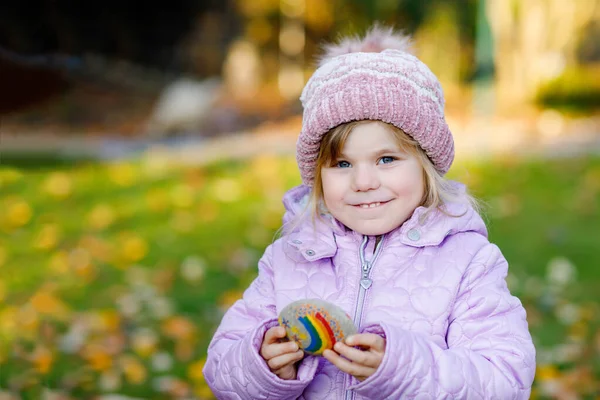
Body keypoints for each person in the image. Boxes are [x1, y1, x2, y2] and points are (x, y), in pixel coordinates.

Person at [203, 24, 536, 399]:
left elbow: (504, 381)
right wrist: (262, 365)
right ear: (318, 176)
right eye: (342, 164)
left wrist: (400, 371)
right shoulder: (288, 258)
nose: (363, 181)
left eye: (386, 159)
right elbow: (221, 369)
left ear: (425, 166)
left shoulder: (468, 263)